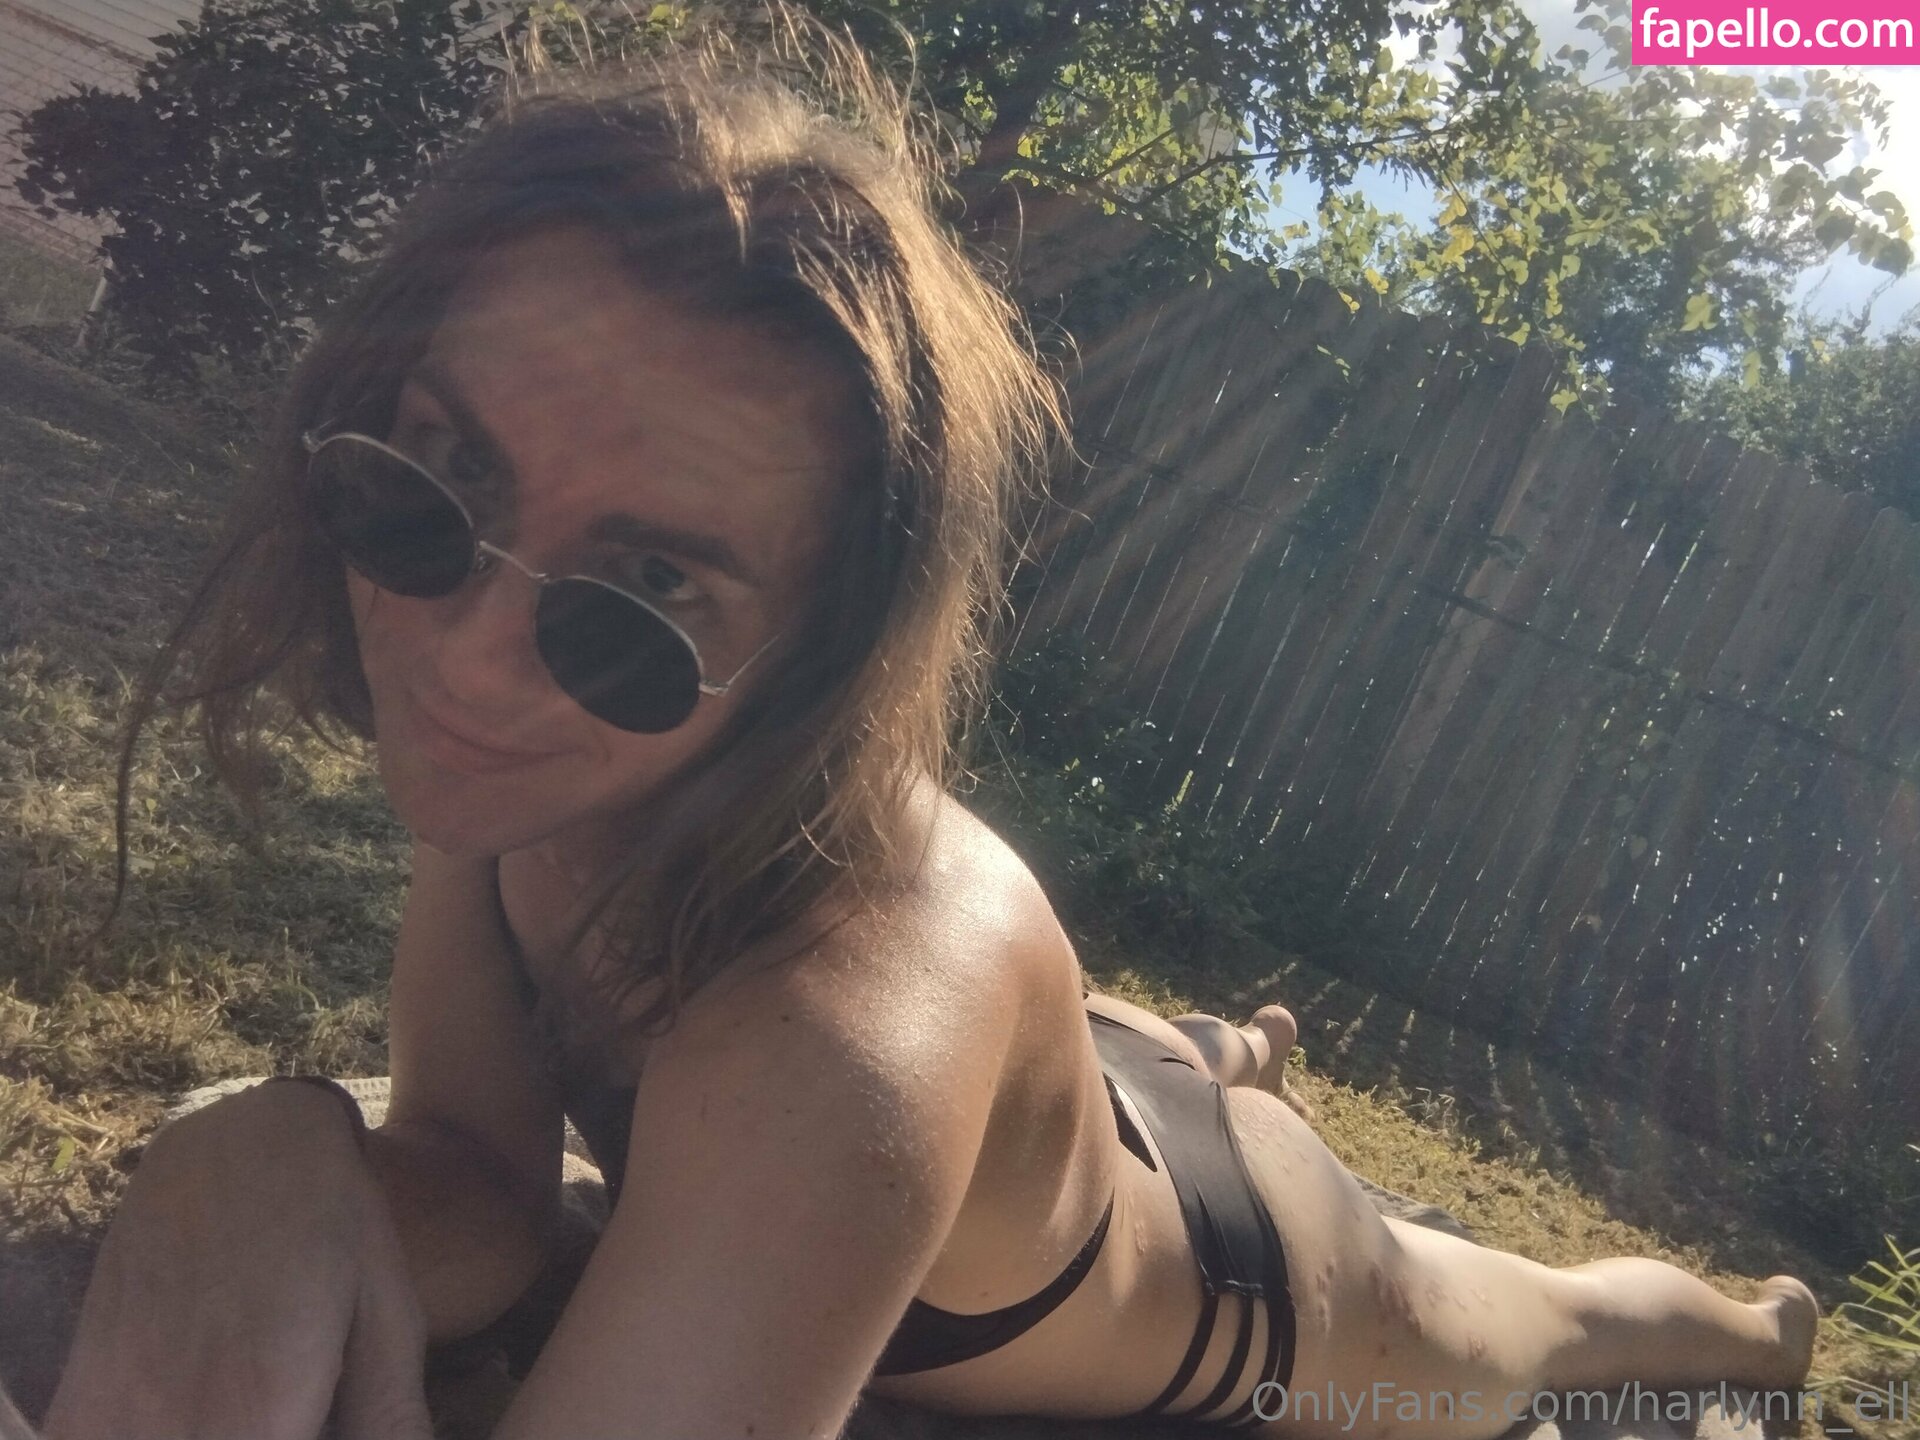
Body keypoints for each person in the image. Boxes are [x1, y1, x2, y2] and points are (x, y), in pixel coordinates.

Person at [44, 15, 1816, 1440]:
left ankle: (1760, 1328)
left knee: (1563, 1320)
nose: (473, 661)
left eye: (643, 598)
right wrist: (268, 1158)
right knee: (1091, 1067)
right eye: (436, 484)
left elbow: (813, 1087)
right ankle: (1205, 1054)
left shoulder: (835, 1048)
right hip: (1033, 1069)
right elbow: (481, 1178)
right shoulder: (546, 759)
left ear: (825, 656)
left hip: (1268, 1282)